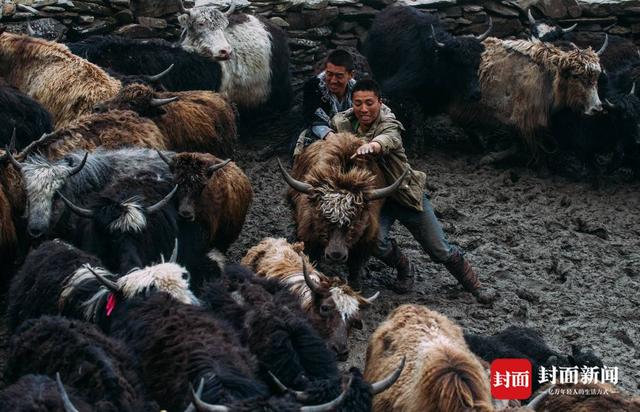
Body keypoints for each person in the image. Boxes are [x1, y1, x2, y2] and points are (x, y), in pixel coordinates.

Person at [330, 79, 496, 304]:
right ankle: (405, 267)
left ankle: (475, 285)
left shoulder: (390, 123)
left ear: (380, 101)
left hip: (405, 195)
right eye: (358, 103)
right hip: (375, 200)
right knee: (375, 242)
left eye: (369, 103)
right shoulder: (342, 123)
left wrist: (372, 146)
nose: (363, 109)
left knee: (439, 249)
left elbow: (388, 139)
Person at [291, 49, 356, 159]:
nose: (333, 80)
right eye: (329, 74)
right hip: (320, 133)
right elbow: (312, 117)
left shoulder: (358, 90)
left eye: (339, 76)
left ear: (351, 75)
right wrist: (330, 136)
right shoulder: (313, 87)